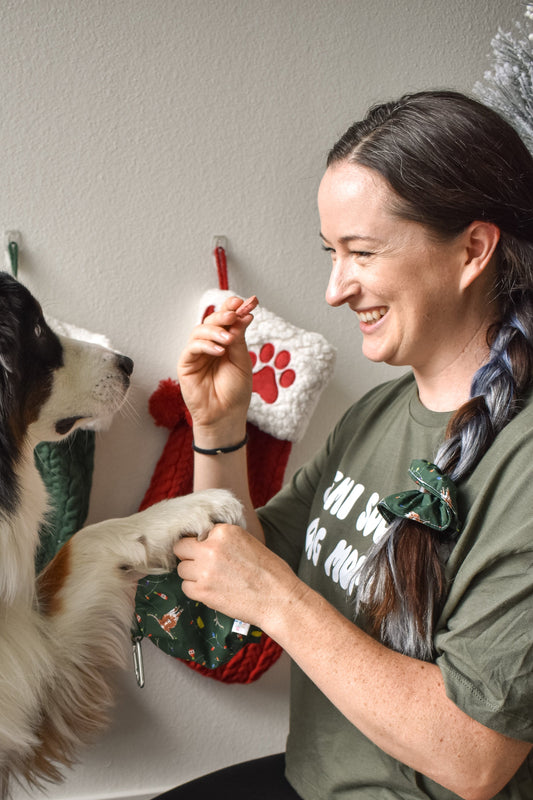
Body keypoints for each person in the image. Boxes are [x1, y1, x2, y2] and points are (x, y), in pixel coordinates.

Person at [157, 91, 533, 799]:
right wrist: (219, 429)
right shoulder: (377, 414)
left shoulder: (524, 463)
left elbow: (472, 756)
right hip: (312, 782)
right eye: (331, 252)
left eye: (360, 252)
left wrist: (278, 601)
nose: (333, 289)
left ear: (472, 250)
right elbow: (243, 570)